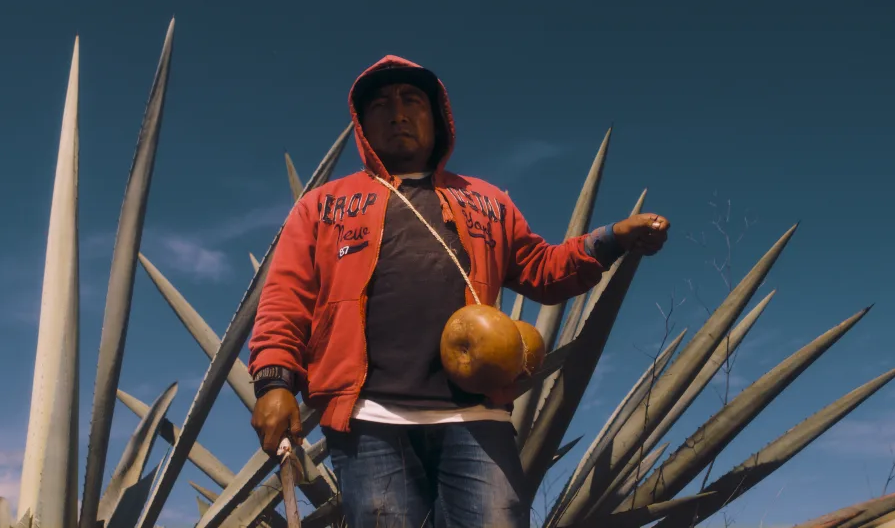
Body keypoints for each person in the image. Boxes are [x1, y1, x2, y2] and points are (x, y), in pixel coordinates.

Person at [248, 54, 670, 528]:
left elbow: (543, 270)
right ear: (362, 124)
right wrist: (274, 383)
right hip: (369, 419)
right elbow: (286, 297)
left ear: (437, 117)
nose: (399, 113)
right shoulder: (322, 206)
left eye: (412, 101)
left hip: (476, 416)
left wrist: (611, 239)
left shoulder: (488, 201)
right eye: (382, 105)